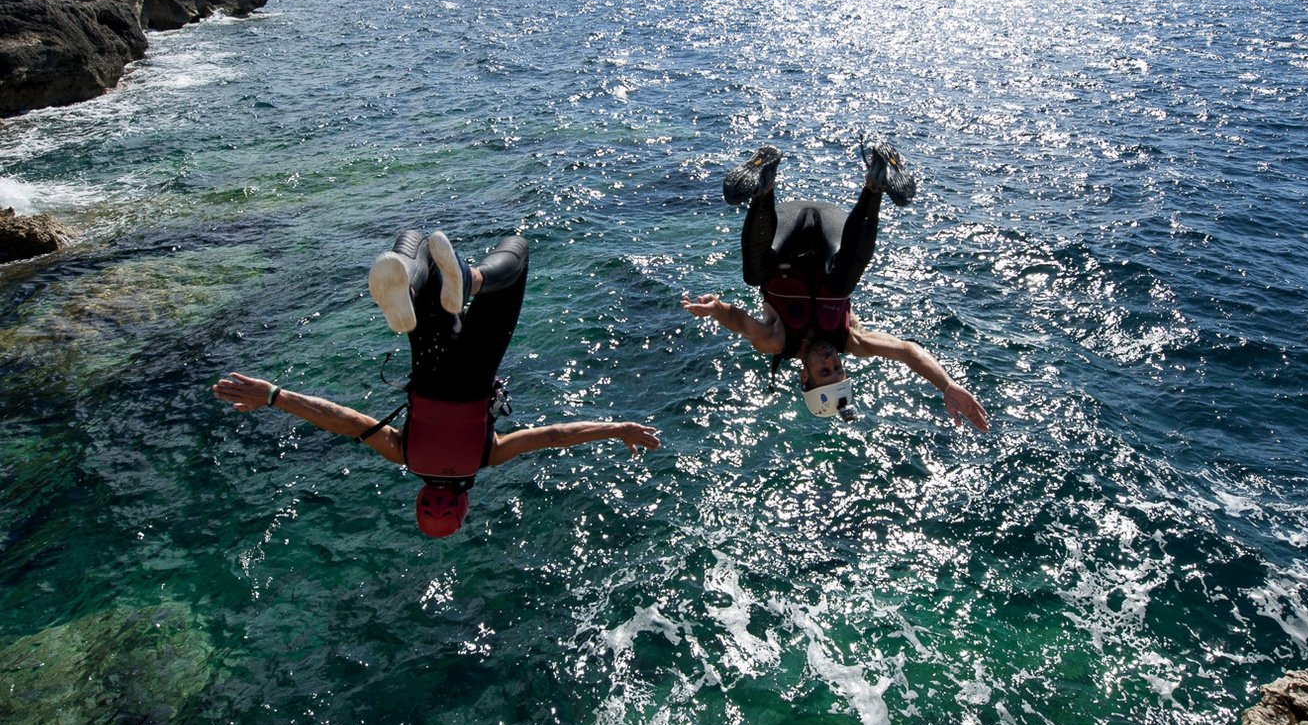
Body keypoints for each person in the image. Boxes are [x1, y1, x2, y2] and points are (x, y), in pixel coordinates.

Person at [214, 229, 659, 537]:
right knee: (418, 243)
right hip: (427, 363)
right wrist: (273, 395)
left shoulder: (488, 455)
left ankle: (470, 278)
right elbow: (344, 420)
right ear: (420, 499)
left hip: (476, 368)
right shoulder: (403, 453)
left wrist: (617, 429)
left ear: (463, 507)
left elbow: (556, 436)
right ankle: (407, 288)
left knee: (517, 251)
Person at [681, 138, 988, 430]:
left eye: (823, 371)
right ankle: (875, 184)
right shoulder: (852, 340)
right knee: (841, 286)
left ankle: (764, 185)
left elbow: (740, 322)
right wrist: (946, 384)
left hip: (783, 229)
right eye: (838, 369)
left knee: (754, 276)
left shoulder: (776, 341)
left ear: (805, 375)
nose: (831, 361)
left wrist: (717, 309)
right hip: (834, 229)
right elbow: (907, 351)